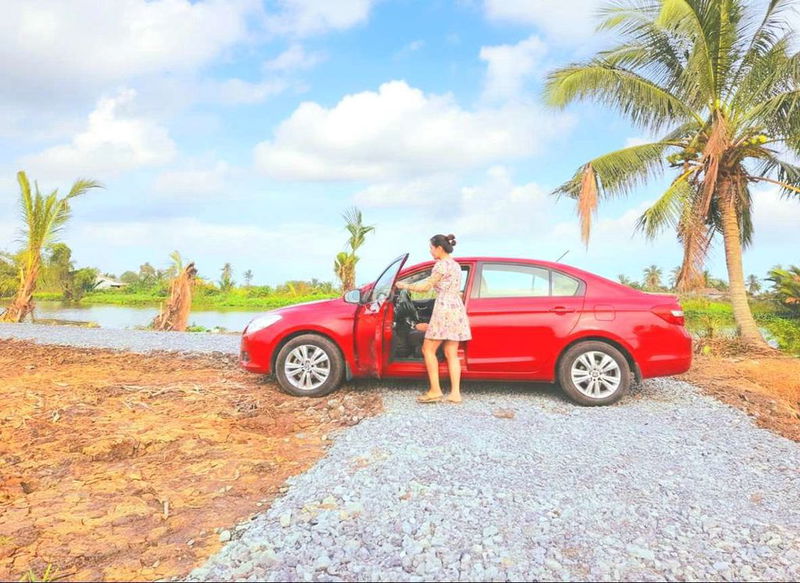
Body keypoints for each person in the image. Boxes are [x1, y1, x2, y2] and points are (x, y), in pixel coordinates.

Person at [395, 233, 472, 403]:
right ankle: (455, 394)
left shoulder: (440, 265)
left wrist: (404, 285)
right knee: (451, 353)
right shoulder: (455, 265)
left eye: (431, 248)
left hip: (444, 308)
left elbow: (425, 287)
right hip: (456, 308)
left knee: (427, 349)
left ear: (439, 248)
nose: (430, 251)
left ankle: (435, 391)